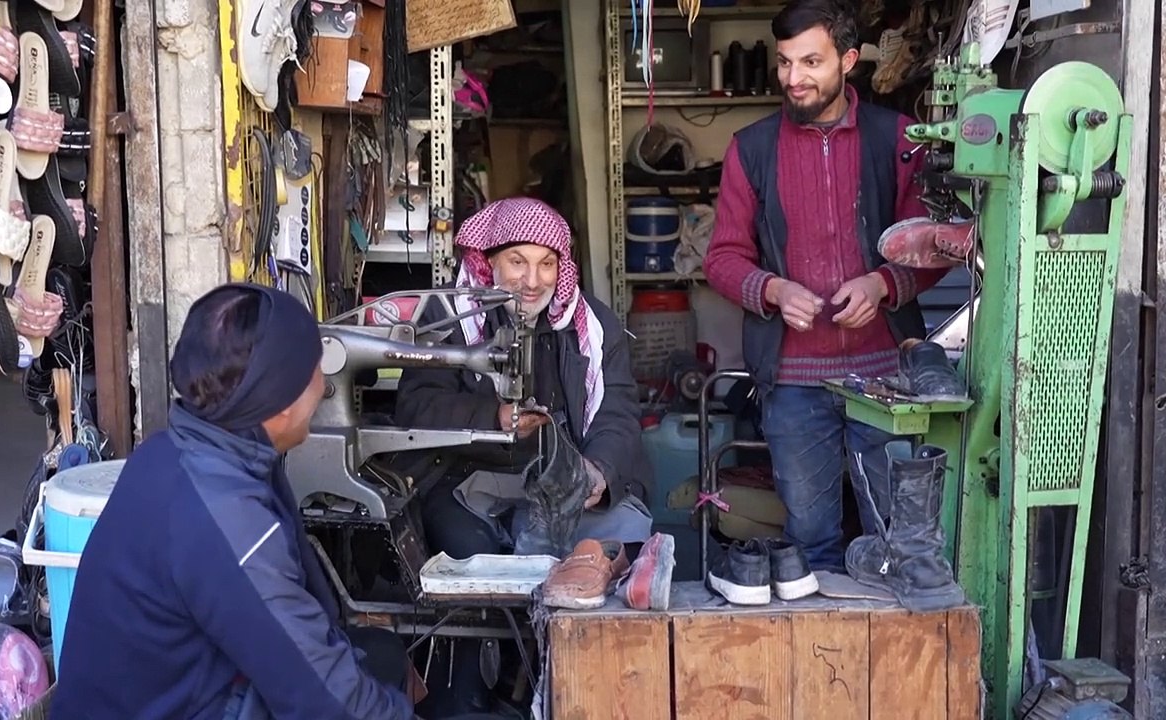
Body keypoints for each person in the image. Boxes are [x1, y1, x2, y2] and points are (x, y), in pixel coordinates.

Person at [51, 284, 479, 720]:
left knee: (379, 656)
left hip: (173, 691)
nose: (324, 385)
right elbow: (327, 703)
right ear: (279, 402)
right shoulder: (228, 521)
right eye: (315, 370)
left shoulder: (175, 451)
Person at [703, 0, 950, 571]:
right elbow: (722, 258)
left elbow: (933, 243)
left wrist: (883, 284)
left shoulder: (900, 139)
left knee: (899, 536)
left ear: (849, 60)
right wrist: (771, 290)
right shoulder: (752, 148)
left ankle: (890, 658)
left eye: (811, 62)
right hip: (792, 381)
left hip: (885, 375)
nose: (794, 78)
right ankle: (828, 658)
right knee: (810, 540)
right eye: (785, 63)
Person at [393, 197, 662, 715]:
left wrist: (599, 469)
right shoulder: (448, 320)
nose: (532, 280)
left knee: (613, 545)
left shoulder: (592, 327)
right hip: (464, 479)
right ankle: (475, 690)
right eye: (517, 261)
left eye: (546, 263)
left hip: (564, 478)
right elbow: (416, 406)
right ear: (488, 261)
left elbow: (619, 412)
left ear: (562, 267)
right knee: (476, 561)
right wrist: (491, 416)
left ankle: (584, 691)